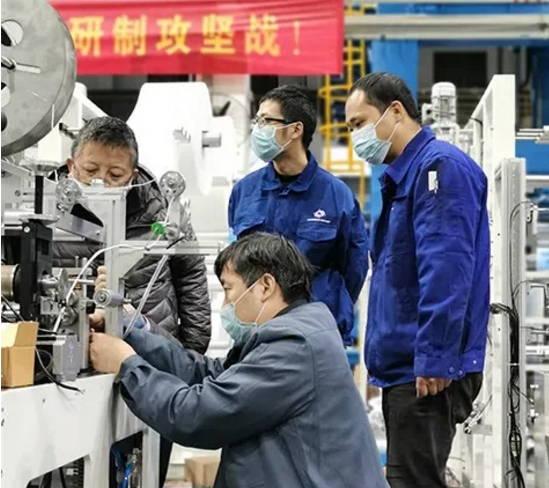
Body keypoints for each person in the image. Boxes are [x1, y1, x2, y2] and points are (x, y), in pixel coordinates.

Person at [89, 232, 389, 488]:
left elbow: (198, 416)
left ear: (265, 286)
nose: (226, 304)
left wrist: (128, 366)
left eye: (228, 290)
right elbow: (210, 375)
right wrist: (132, 332)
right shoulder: (298, 331)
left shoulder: (293, 347)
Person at [50, 116, 212, 487]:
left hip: (148, 361)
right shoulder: (45, 208)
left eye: (115, 174)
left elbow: (191, 276)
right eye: (90, 170)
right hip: (68, 363)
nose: (100, 182)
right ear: (71, 165)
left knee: (144, 470)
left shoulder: (161, 210)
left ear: (133, 174)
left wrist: (186, 354)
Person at [345, 72, 489, 488]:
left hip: (425, 369)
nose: (356, 137)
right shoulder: (402, 179)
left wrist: (435, 357)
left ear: (395, 111)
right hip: (406, 366)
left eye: (360, 122)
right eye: (351, 127)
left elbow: (446, 270)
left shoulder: (438, 168)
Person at [229, 85, 369, 345]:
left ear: (295, 129)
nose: (258, 129)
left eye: (266, 121)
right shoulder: (244, 191)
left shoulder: (336, 195)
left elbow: (354, 268)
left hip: (316, 334)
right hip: (258, 332)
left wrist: (326, 306)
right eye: (257, 121)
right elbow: (235, 263)